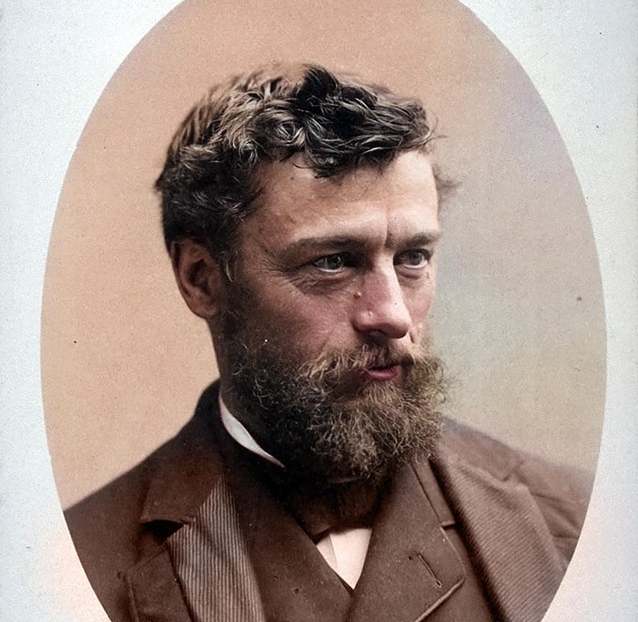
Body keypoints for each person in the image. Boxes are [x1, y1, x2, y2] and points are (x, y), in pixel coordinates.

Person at [65, 64, 590, 622]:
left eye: (413, 258)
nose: (390, 315)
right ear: (202, 278)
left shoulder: (572, 524)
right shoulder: (82, 569)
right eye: (333, 262)